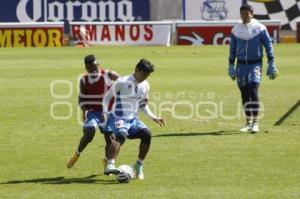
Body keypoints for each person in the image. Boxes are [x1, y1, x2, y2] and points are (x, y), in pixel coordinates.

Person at [101, 59, 166, 180]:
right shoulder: (122, 82)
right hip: (118, 117)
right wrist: (105, 112)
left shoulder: (145, 85)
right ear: (136, 70)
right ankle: (110, 164)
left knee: (147, 134)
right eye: (143, 74)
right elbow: (106, 97)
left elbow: (142, 105)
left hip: (133, 120)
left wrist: (153, 117)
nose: (145, 78)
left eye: (147, 75)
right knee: (121, 135)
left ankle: (138, 165)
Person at [228, 4, 278, 133]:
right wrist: (230, 64)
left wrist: (271, 62)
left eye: (247, 13)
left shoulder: (260, 28)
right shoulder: (236, 30)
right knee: (244, 93)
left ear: (252, 14)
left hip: (255, 64)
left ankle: (256, 122)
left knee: (253, 90)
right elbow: (232, 48)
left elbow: (268, 45)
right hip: (240, 66)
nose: (245, 16)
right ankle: (248, 122)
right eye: (243, 14)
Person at [67, 54, 120, 168]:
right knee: (89, 133)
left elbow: (124, 84)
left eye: (95, 68)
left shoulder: (108, 74)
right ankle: (75, 156)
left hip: (108, 112)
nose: (94, 71)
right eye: (91, 70)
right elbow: (81, 100)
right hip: (92, 111)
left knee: (109, 139)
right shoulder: (84, 80)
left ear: (98, 64)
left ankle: (107, 162)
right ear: (86, 68)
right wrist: (84, 111)